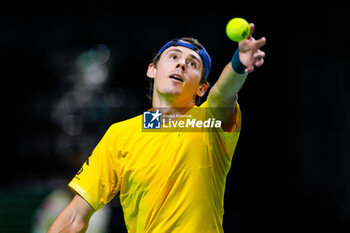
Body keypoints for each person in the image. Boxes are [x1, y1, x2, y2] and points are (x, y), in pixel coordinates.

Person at [48, 23, 266, 233]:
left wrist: (239, 63)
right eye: (174, 57)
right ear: (152, 69)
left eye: (192, 64)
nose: (181, 64)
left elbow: (223, 94)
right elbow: (76, 215)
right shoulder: (121, 135)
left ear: (201, 89)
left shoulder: (208, 122)